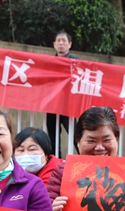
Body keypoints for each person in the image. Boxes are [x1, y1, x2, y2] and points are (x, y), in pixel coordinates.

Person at [46, 30, 80, 158]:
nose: (61, 43)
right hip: (51, 105)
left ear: (70, 44)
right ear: (54, 44)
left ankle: (86, 158)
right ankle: (55, 163)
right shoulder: (48, 62)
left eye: (64, 40)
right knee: (53, 138)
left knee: (76, 136)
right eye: (58, 40)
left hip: (68, 106)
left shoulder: (77, 62)